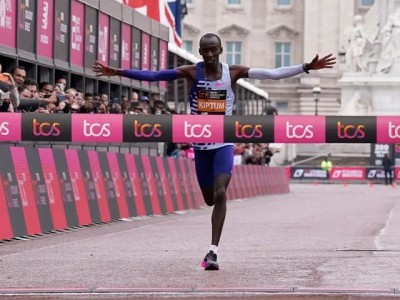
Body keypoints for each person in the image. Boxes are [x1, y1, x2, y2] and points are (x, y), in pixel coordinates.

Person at [92, 32, 336, 270]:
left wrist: (306, 67)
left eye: (213, 49)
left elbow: (271, 74)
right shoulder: (192, 72)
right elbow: (156, 75)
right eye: (205, 50)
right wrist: (118, 72)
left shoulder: (233, 73)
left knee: (220, 193)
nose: (209, 53)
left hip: (223, 143)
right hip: (200, 146)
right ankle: (212, 231)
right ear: (200, 52)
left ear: (221, 51)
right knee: (209, 198)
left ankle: (213, 251)